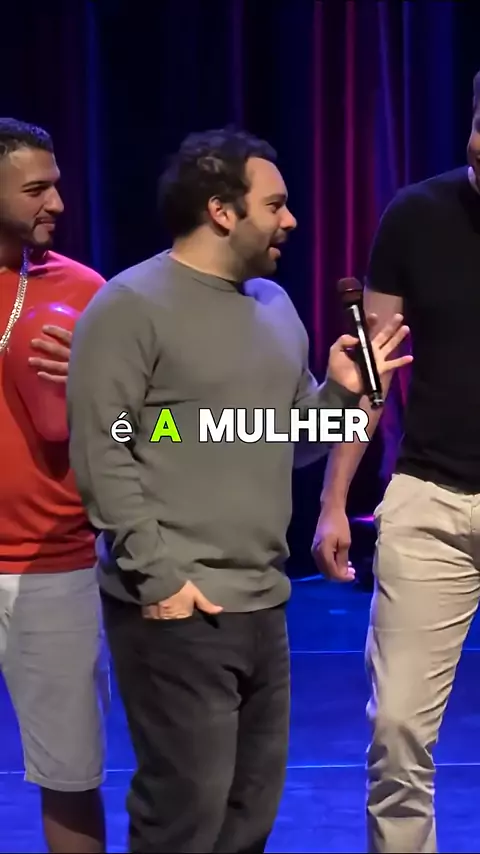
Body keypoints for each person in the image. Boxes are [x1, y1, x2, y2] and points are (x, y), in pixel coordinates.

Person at [66, 126, 411, 854]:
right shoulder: (130, 306)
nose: (292, 221)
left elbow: (286, 439)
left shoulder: (273, 306)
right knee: (184, 815)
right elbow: (103, 451)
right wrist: (160, 577)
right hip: (176, 604)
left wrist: (342, 395)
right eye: (275, 205)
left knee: (249, 812)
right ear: (222, 211)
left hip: (263, 600)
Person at [312, 70, 480, 853]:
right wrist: (334, 501)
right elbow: (371, 376)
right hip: (431, 500)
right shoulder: (416, 215)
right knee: (399, 731)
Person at [0, 118, 109, 854]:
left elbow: (146, 431)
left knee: (70, 776)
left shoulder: (87, 292)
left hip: (53, 569)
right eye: (36, 189)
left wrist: (97, 396)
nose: (59, 204)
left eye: (58, 186)